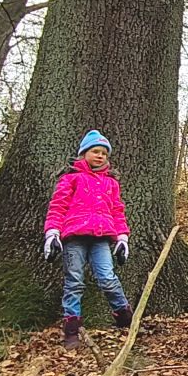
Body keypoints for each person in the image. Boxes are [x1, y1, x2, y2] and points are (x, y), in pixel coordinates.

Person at [43, 130, 133, 351]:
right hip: (74, 238)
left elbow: (117, 211)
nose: (100, 156)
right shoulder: (71, 178)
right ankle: (72, 329)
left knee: (107, 278)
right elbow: (58, 206)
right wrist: (52, 233)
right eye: (95, 151)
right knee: (74, 282)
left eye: (104, 153)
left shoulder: (111, 183)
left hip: (102, 239)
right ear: (84, 153)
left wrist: (122, 238)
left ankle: (125, 319)